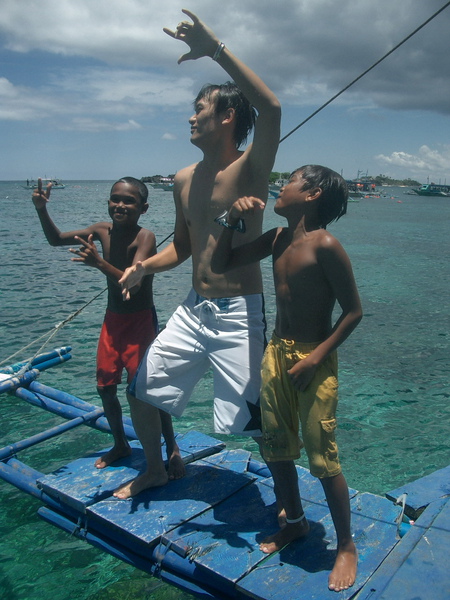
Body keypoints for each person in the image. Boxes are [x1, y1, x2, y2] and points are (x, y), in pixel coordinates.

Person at [115, 9, 281, 499]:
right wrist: (143, 266)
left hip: (238, 314)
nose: (191, 116)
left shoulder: (252, 170)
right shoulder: (184, 179)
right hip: (193, 307)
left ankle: (287, 504)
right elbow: (183, 248)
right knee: (141, 389)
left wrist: (216, 50)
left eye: (200, 109)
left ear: (227, 117)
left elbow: (270, 109)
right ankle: (154, 468)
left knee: (255, 421)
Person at [210, 165, 362, 592]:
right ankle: (294, 521)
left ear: (312, 193)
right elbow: (222, 262)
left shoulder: (326, 245)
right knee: (276, 446)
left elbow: (354, 312)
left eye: (291, 180)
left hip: (313, 360)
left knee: (321, 454)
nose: (280, 185)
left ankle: (345, 544)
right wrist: (229, 222)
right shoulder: (277, 239)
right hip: (276, 354)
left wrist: (316, 358)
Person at [32, 177, 184, 477]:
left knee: (147, 391)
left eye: (129, 201)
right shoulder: (101, 230)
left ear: (143, 208)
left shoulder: (146, 238)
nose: (120, 205)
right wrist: (40, 210)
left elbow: (135, 282)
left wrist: (100, 264)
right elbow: (56, 239)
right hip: (112, 321)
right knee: (105, 388)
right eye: (115, 198)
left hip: (140, 322)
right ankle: (120, 444)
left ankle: (172, 447)